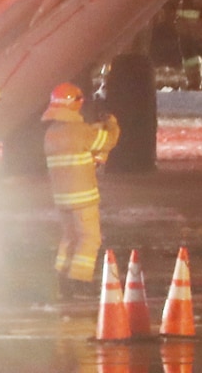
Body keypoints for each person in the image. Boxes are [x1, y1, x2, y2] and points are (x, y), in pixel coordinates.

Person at [43, 82, 120, 299]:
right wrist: (110, 123)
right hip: (83, 197)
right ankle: (79, 282)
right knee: (89, 238)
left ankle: (63, 279)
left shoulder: (51, 134)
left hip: (62, 198)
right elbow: (108, 141)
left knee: (70, 237)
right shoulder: (81, 132)